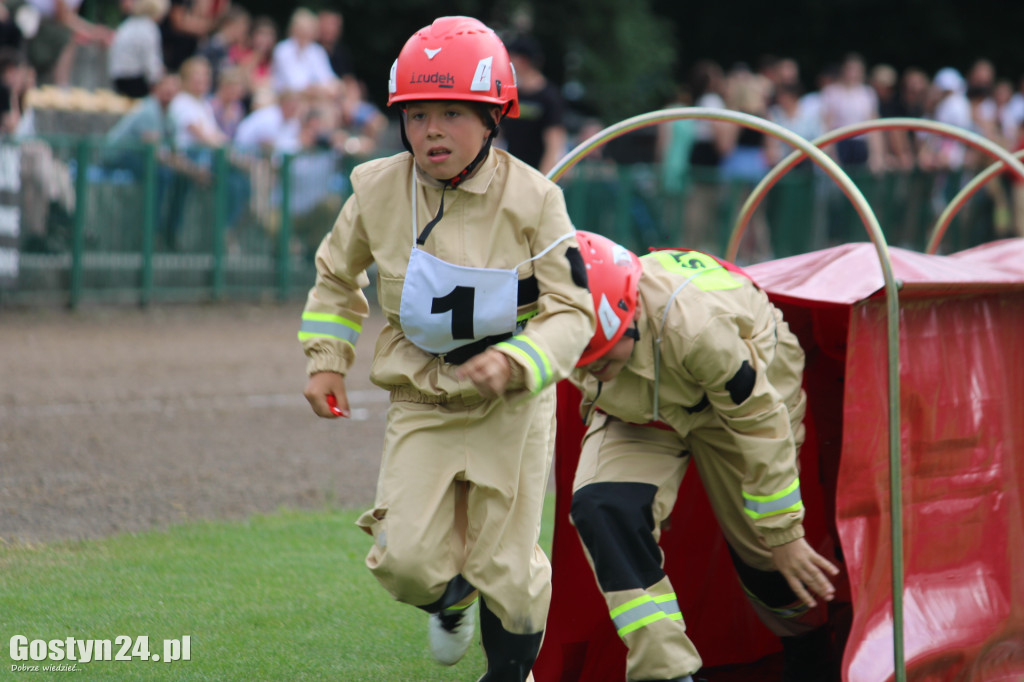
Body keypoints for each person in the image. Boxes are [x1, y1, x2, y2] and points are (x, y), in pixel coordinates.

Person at [297, 16, 595, 681]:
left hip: (511, 410)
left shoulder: (538, 200)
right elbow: (335, 276)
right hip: (420, 398)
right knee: (403, 561)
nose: (430, 130)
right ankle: (449, 597)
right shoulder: (374, 189)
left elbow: (573, 309)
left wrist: (518, 362)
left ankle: (508, 672)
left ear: (494, 118)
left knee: (508, 569)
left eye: (452, 113)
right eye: (416, 115)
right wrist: (326, 362)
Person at [567, 231, 840, 682]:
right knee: (602, 506)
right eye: (577, 357)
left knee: (768, 559)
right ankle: (669, 673)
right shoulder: (569, 329)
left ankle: (809, 648)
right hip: (640, 403)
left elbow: (760, 420)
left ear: (627, 311)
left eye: (596, 354)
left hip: (746, 391)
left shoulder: (696, 329)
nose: (587, 366)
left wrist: (785, 533)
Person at [497, 33, 567, 175]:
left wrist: (544, 181)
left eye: (511, 58)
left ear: (523, 61)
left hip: (536, 176)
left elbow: (554, 144)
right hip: (512, 175)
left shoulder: (549, 97)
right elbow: (498, 136)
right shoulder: (511, 94)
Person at [270, 8, 339, 101]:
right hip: (285, 98)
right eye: (303, 29)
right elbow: (293, 84)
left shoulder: (317, 51)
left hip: (314, 96)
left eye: (309, 29)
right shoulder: (282, 50)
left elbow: (328, 78)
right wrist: (318, 88)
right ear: (294, 29)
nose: (306, 33)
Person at [108, 0, 169, 99]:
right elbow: (151, 62)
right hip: (136, 81)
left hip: (118, 78)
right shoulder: (149, 27)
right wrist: (159, 80)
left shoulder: (127, 24)